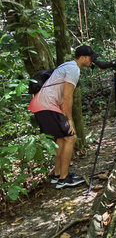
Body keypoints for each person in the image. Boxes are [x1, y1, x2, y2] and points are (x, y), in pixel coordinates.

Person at [29, 45, 98, 189]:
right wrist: (69, 120)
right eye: (90, 58)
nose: (92, 60)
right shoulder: (73, 69)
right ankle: (64, 178)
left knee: (61, 138)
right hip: (47, 105)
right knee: (71, 137)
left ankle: (58, 174)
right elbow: (67, 96)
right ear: (82, 58)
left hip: (41, 105)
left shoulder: (67, 65)